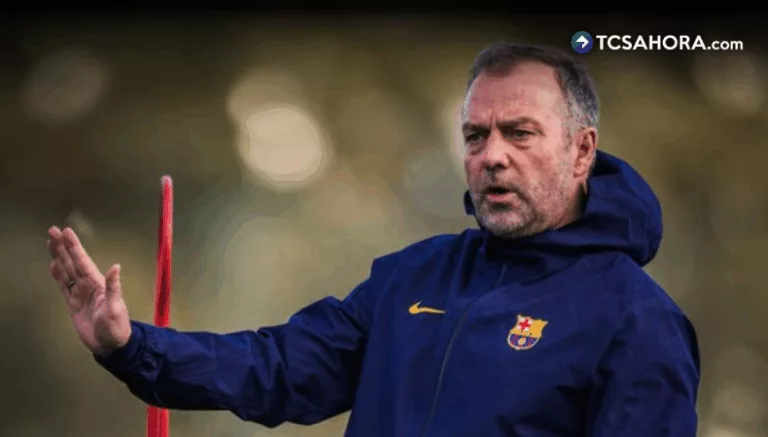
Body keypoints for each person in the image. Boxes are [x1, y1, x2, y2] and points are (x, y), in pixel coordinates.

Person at [46, 42, 700, 436]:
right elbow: (278, 368)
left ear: (581, 150)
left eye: (520, 133)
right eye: (475, 136)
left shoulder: (638, 320)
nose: (492, 156)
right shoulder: (412, 276)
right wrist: (132, 346)